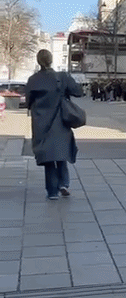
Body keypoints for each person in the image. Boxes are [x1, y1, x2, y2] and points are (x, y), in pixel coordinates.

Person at [25, 49, 84, 200]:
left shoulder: (33, 79)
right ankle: (64, 183)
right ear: (51, 60)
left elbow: (28, 101)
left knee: (48, 156)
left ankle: (52, 191)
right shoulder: (61, 77)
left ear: (38, 61)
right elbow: (78, 91)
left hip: (41, 121)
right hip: (60, 119)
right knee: (60, 151)